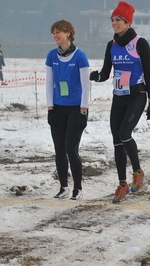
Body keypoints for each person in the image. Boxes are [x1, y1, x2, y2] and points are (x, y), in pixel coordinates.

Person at [89, 1, 150, 203]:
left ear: (127, 22)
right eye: (112, 19)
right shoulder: (111, 45)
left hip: (137, 95)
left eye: (118, 19)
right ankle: (122, 184)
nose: (114, 23)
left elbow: (149, 73)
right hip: (119, 97)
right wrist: (95, 76)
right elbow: (106, 73)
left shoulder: (140, 43)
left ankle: (137, 172)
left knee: (124, 133)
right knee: (117, 141)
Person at [45, 19, 90, 201]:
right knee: (59, 149)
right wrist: (50, 108)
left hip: (76, 109)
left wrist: (83, 110)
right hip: (58, 108)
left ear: (68, 34)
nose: (55, 35)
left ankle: (77, 189)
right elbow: (49, 84)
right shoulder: (51, 56)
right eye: (53, 32)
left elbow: (86, 86)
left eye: (59, 32)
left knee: (71, 148)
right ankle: (63, 187)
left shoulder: (80, 57)